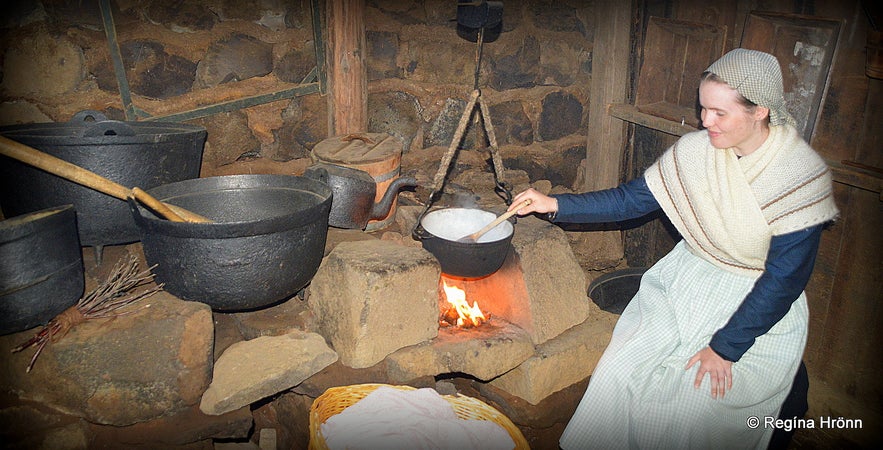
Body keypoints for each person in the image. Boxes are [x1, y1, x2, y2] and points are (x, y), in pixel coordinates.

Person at [508, 48, 839, 449]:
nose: (705, 122)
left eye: (720, 113)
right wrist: (555, 204)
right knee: (618, 372)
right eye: (703, 109)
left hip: (754, 302)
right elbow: (631, 200)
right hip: (687, 281)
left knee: (691, 407)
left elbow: (785, 279)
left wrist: (724, 348)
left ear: (760, 111)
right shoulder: (696, 153)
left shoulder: (797, 179)